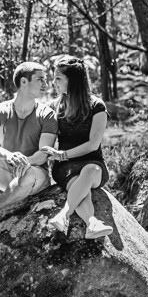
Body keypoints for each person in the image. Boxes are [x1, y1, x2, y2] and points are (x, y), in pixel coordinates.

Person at [0, 62, 58, 239]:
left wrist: (25, 162)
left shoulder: (47, 114)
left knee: (27, 174)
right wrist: (8, 155)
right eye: (40, 80)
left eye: (46, 80)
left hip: (36, 176)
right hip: (10, 171)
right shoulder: (0, 110)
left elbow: (44, 153)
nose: (46, 85)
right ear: (23, 82)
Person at [41, 55, 113, 239]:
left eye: (58, 78)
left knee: (90, 170)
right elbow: (43, 139)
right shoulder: (53, 108)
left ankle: (64, 214)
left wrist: (62, 154)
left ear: (72, 81)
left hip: (93, 163)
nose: (53, 83)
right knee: (81, 191)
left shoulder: (97, 106)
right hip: (65, 168)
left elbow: (93, 144)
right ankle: (92, 223)